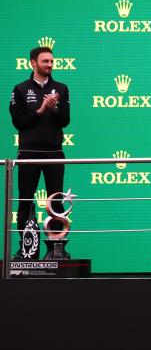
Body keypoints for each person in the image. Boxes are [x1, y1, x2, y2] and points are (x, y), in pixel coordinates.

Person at [9, 46, 70, 259]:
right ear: (33, 63)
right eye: (45, 61)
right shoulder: (20, 89)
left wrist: (54, 109)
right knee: (25, 201)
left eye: (51, 61)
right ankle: (27, 249)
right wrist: (41, 110)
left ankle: (56, 249)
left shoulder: (61, 88)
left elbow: (65, 121)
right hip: (28, 153)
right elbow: (18, 122)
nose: (50, 65)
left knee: (56, 202)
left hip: (54, 152)